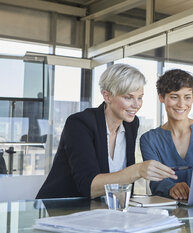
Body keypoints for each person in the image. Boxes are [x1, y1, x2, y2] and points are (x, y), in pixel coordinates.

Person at [37, 64, 177, 199]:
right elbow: (88, 186)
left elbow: (122, 184)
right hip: (61, 209)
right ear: (107, 96)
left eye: (139, 97)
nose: (136, 105)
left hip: (101, 211)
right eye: (128, 97)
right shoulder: (79, 124)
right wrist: (138, 170)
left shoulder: (131, 124)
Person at [140, 69, 193, 200]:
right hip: (166, 213)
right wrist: (171, 188)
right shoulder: (149, 140)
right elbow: (156, 181)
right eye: (174, 97)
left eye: (187, 97)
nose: (181, 104)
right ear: (161, 97)